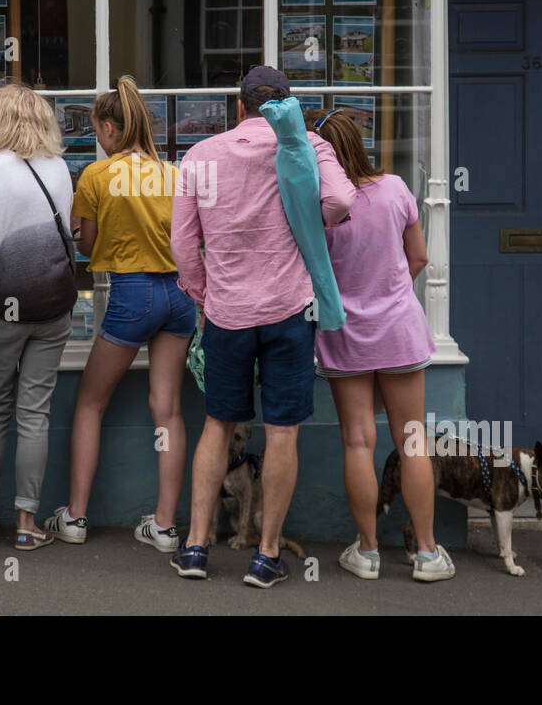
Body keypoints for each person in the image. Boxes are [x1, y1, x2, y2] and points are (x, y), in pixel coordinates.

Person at [170, 66, 356, 587]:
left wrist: (204, 294)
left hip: (227, 312)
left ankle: (195, 548)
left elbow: (183, 245)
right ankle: (265, 555)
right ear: (288, 106)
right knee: (282, 431)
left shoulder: (201, 156)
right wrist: (311, 223)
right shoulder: (309, 147)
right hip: (289, 309)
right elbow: (342, 202)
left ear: (239, 106)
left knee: (217, 426)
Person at [302, 107, 454, 582]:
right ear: (361, 143)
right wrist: (390, 292)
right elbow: (420, 256)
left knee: (358, 441)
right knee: (412, 441)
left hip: (346, 335)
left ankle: (367, 552)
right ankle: (427, 554)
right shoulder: (395, 189)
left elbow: (313, 275)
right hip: (399, 332)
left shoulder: (322, 210)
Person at [45, 76, 194, 552]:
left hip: (132, 294)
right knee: (167, 410)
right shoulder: (175, 173)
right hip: (180, 295)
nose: (96, 138)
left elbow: (87, 249)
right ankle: (167, 526)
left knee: (90, 403)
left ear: (109, 128)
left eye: (95, 130)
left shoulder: (96, 176)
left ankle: (75, 516)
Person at [0, 82, 77, 550]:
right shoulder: (60, 168)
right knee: (35, 414)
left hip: (0, 310)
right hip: (53, 308)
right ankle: (27, 524)